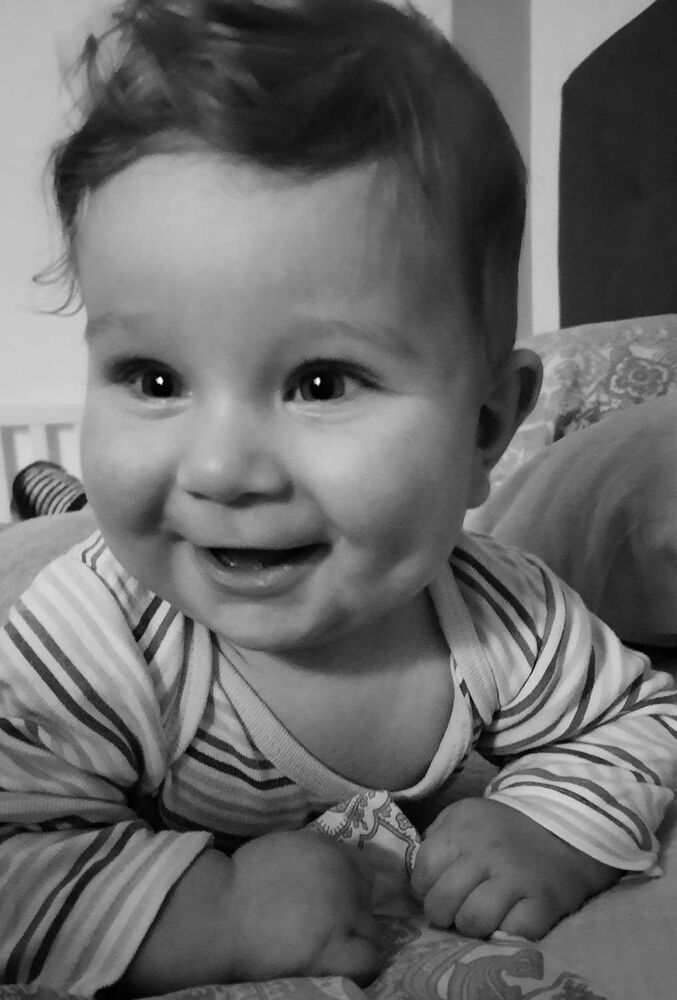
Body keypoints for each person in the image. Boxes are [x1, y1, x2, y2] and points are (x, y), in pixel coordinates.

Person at [1, 0, 675, 994]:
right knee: (58, 531)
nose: (220, 468)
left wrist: (548, 826)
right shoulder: (93, 643)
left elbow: (636, 720)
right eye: (154, 378)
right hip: (87, 565)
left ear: (485, 425)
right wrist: (218, 918)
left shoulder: (509, 620)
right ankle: (54, 500)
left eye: (320, 383)